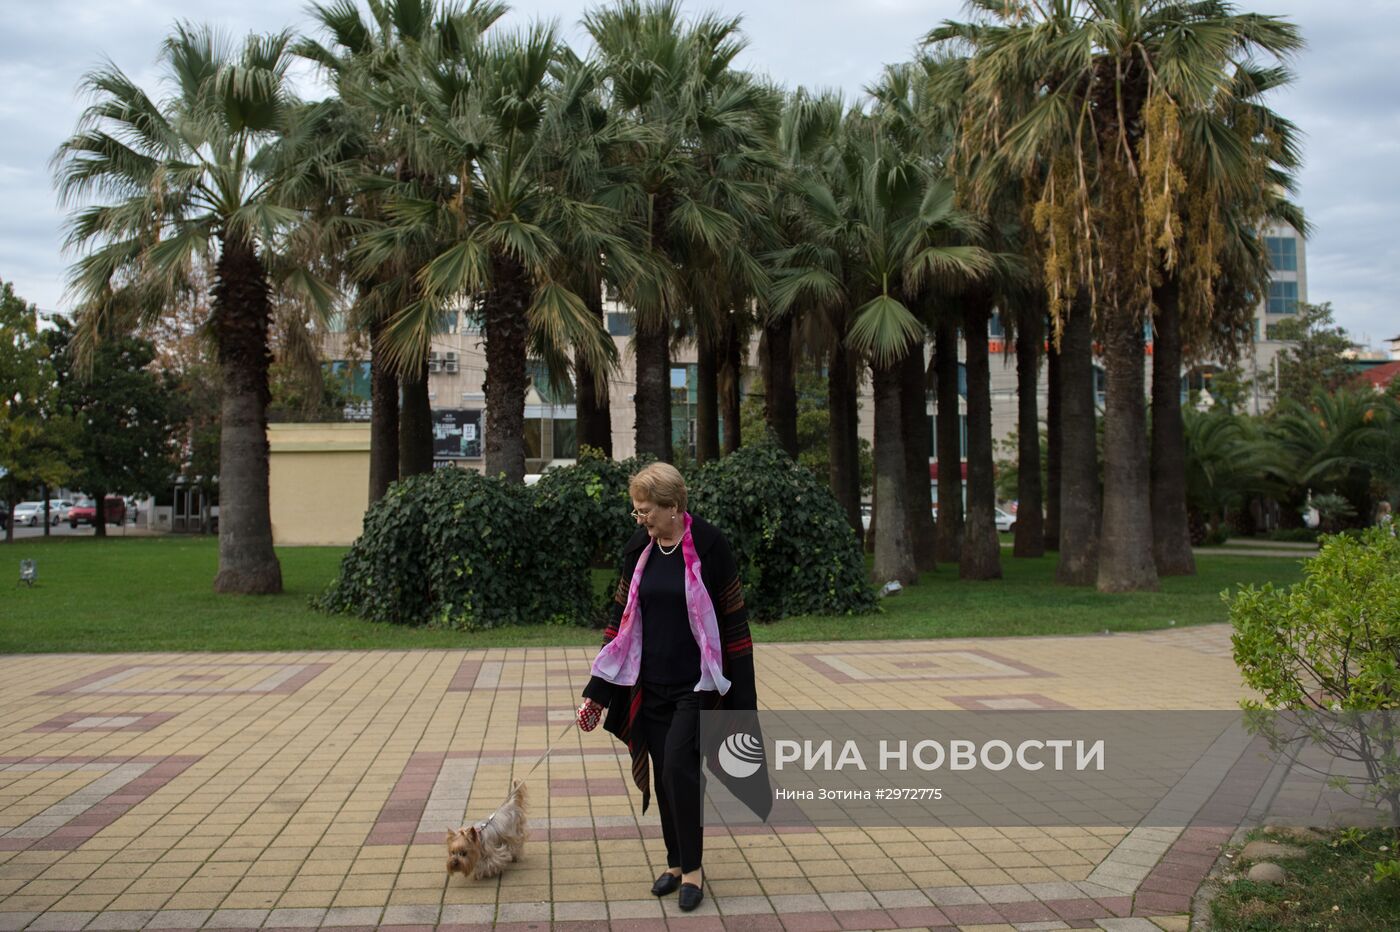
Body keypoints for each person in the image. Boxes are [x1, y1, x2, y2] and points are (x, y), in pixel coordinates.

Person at [577, 462, 757, 913]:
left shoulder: (712, 546)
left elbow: (734, 621)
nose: (639, 519)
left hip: (697, 684)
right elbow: (620, 621)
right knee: (662, 775)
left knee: (680, 765)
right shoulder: (640, 548)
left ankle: (694, 869)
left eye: (645, 511)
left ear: (673, 507)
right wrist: (596, 691)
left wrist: (743, 698)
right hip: (649, 683)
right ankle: (675, 862)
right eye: (636, 511)